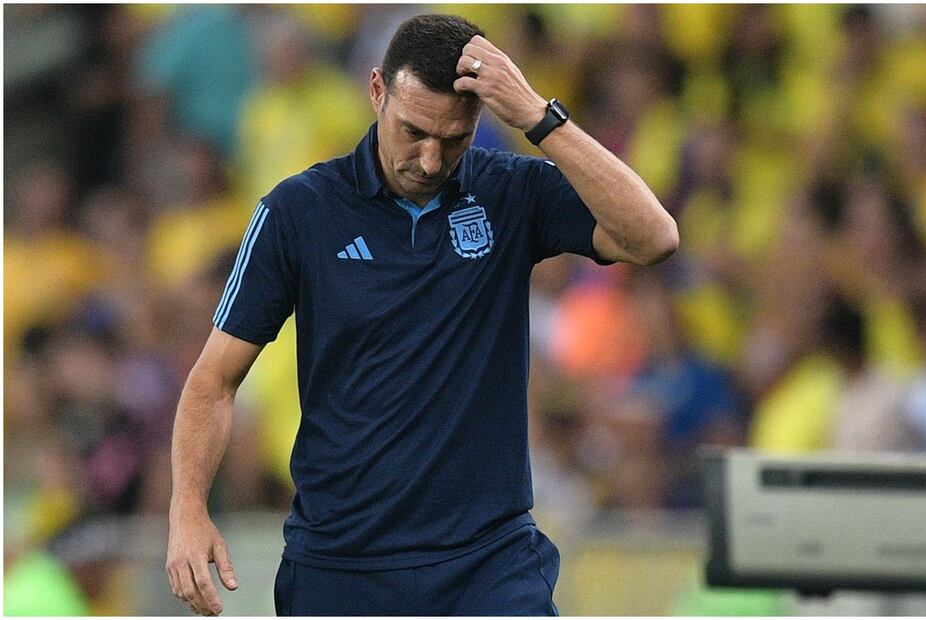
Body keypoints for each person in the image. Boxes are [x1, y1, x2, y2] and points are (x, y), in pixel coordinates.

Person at [166, 14, 678, 616]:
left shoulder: (509, 192)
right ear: (377, 90)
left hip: (487, 563)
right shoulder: (298, 212)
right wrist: (188, 510)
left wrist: (541, 117)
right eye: (413, 132)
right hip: (342, 565)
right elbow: (214, 381)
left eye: (454, 139)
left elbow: (654, 237)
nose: (431, 160)